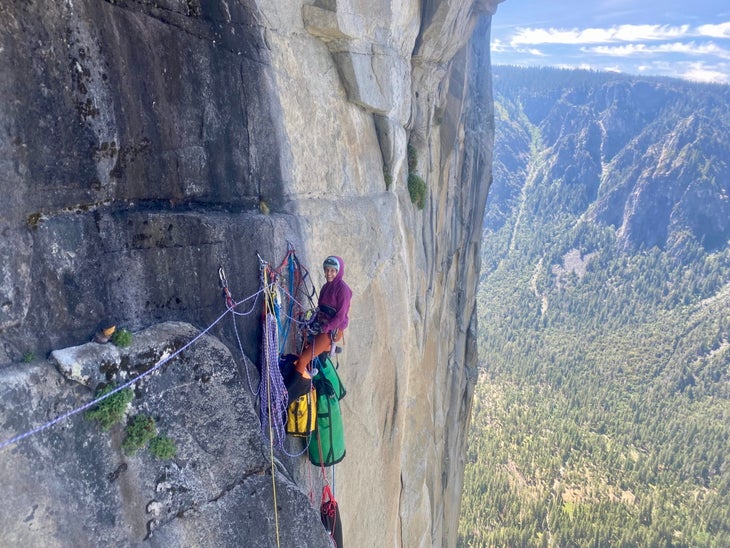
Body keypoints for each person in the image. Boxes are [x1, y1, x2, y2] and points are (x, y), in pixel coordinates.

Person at [295, 255, 352, 379]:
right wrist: (311, 321)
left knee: (303, 359)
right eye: (326, 270)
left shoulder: (343, 291)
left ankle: (289, 391)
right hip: (322, 324)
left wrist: (325, 328)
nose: (329, 273)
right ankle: (327, 348)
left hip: (332, 330)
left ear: (338, 271)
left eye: (332, 270)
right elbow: (320, 308)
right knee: (303, 343)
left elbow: (340, 317)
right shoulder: (325, 287)